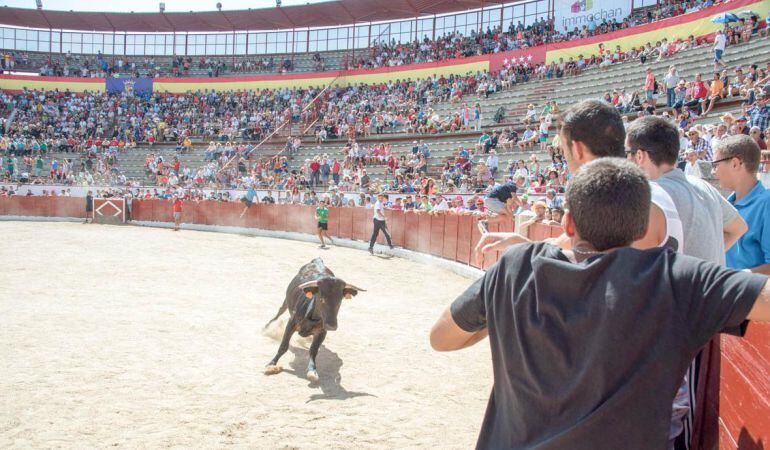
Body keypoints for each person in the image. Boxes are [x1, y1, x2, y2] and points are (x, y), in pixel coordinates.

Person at [430, 158, 770, 450]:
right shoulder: (676, 279)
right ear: (642, 227)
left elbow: (441, 337)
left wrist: (502, 308)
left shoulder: (516, 267)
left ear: (567, 223)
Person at [625, 116, 748, 449]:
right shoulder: (702, 185)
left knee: (665, 415)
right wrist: (706, 261)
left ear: (639, 155)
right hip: (709, 311)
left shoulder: (651, 193)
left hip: (676, 318)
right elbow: (738, 229)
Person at [712, 135, 770, 274]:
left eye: (716, 165)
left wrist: (732, 279)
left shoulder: (766, 203)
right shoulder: (726, 204)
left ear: (735, 163)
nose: (713, 172)